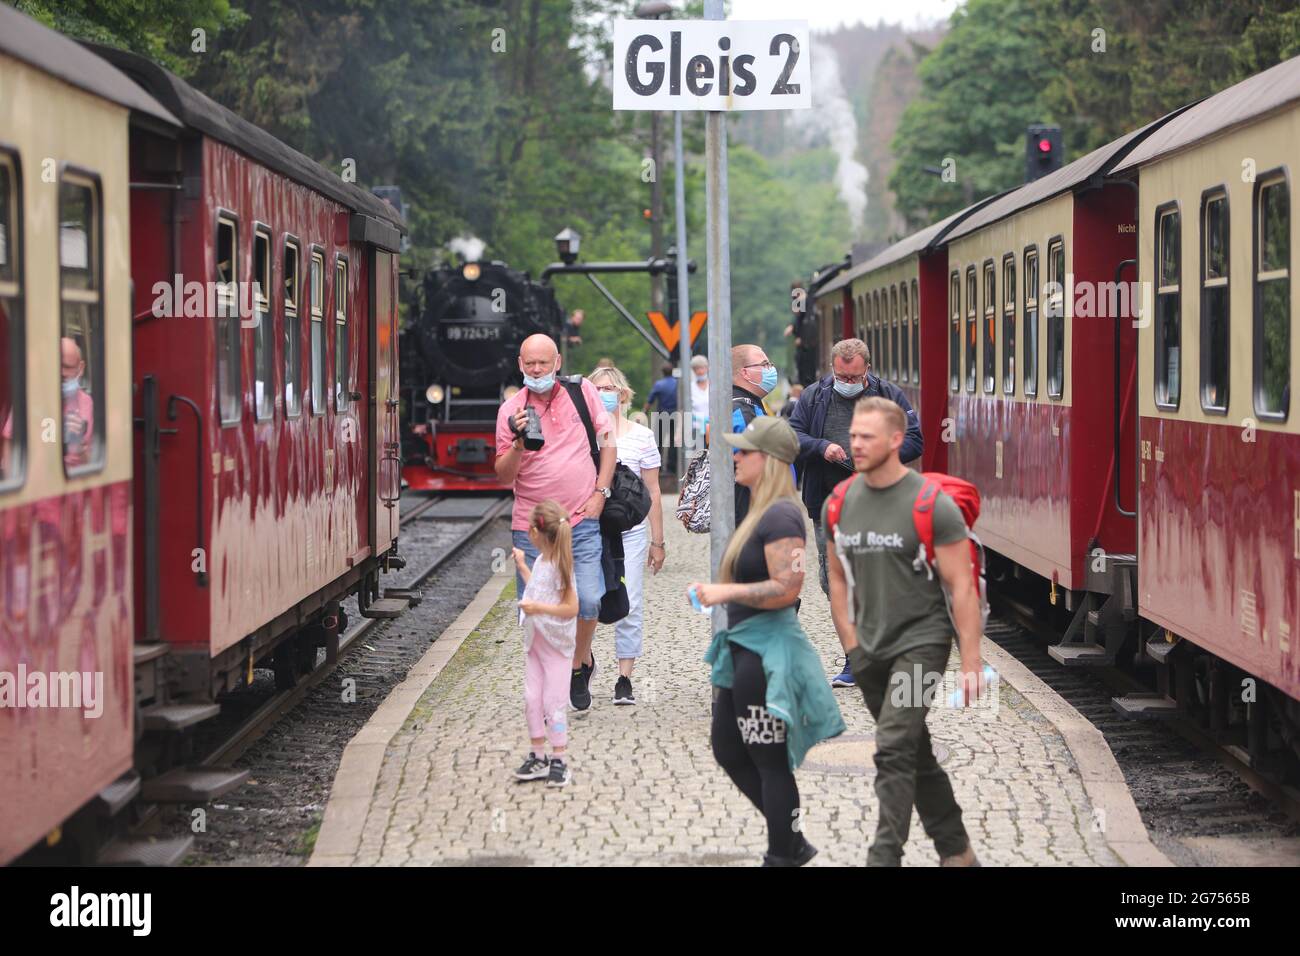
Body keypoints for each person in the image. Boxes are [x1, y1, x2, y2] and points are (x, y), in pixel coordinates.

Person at [826, 397, 983, 867]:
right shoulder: (839, 502)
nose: (855, 444)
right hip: (869, 647)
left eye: (867, 437)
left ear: (896, 441)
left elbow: (962, 586)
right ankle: (957, 852)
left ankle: (884, 856)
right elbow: (835, 576)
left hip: (922, 641)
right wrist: (850, 642)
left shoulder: (930, 505)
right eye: (853, 435)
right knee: (914, 749)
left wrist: (971, 663)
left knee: (892, 746)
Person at [690, 415, 845, 866]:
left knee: (768, 760)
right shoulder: (759, 509)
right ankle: (791, 838)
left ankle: (782, 852)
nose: (734, 457)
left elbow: (788, 587)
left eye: (743, 451)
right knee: (727, 747)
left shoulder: (782, 515)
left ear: (770, 461)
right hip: (742, 647)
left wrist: (725, 592)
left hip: (766, 652)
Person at [788, 338, 922, 687]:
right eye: (840, 375)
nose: (846, 381)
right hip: (828, 504)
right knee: (836, 583)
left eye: (854, 376)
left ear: (867, 370)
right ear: (832, 369)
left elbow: (915, 440)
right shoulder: (814, 396)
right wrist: (821, 447)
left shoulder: (889, 395)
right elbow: (793, 436)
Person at [495, 333, 616, 713]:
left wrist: (601, 493)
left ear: (557, 362)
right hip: (533, 528)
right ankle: (550, 685)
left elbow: (609, 444)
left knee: (590, 601)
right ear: (520, 364)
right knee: (537, 610)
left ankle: (580, 664)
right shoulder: (509, 410)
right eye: (529, 363)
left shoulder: (582, 394)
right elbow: (501, 478)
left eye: (543, 363)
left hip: (581, 520)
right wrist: (516, 442)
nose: (536, 370)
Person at [589, 364, 665, 705]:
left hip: (630, 532)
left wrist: (658, 540)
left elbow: (653, 490)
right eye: (597, 389)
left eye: (609, 389)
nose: (605, 394)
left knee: (630, 602)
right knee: (588, 600)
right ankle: (584, 664)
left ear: (622, 393)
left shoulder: (641, 435)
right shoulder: (582, 434)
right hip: (590, 530)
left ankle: (624, 677)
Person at [512, 500, 579, 787]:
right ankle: (538, 754)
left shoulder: (561, 567)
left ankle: (559, 758)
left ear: (537, 533)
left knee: (554, 704)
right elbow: (537, 590)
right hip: (535, 645)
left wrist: (538, 609)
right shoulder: (541, 562)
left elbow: (571, 608)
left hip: (556, 647)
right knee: (532, 700)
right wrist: (522, 567)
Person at [729, 343, 779, 526]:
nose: (771, 369)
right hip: (748, 509)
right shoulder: (741, 411)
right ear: (745, 373)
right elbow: (753, 463)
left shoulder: (748, 405)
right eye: (764, 364)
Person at [60, 336, 95, 470]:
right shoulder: (33, 396)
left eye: (67, 367)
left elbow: (91, 461)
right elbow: (9, 443)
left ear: (80, 368)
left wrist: (79, 446)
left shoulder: (86, 402)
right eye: (58, 366)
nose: (62, 373)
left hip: (76, 482)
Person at [643, 362, 679, 474]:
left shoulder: (659, 384)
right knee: (673, 442)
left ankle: (657, 466)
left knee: (659, 442)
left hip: (661, 415)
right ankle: (671, 468)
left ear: (662, 372)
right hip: (675, 415)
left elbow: (650, 400)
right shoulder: (677, 384)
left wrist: (644, 412)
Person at [689, 354, 710, 446]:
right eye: (696, 369)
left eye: (702, 368)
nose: (700, 371)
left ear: (707, 368)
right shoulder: (690, 388)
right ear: (693, 370)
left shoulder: (714, 385)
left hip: (713, 428)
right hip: (696, 429)